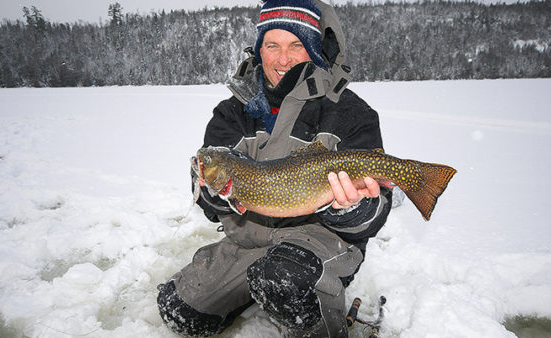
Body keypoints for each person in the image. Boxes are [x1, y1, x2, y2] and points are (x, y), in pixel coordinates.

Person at [157, 0, 392, 336]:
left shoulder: (350, 112)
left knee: (284, 277)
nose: (283, 58)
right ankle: (253, 289)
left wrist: (351, 208)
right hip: (247, 242)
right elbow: (209, 192)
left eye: (296, 45)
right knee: (179, 310)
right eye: (272, 45)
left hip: (321, 241)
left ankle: (320, 323)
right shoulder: (232, 112)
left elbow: (375, 213)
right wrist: (213, 191)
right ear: (259, 49)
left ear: (313, 49)